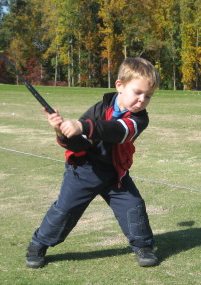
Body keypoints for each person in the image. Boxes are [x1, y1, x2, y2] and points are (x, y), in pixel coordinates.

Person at [25, 57, 160, 268]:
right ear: (119, 86)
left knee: (133, 206)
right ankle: (38, 244)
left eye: (148, 96)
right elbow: (78, 145)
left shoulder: (140, 118)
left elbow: (119, 132)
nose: (142, 100)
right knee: (65, 211)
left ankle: (143, 246)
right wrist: (61, 131)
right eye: (138, 92)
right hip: (83, 171)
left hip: (115, 174)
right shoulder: (98, 110)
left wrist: (82, 126)